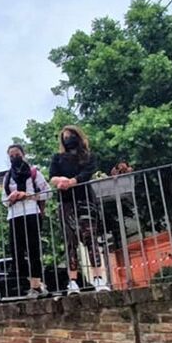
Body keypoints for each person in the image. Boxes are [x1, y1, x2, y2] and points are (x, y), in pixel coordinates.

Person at [49, 126, 110, 294]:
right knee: (70, 242)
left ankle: (99, 278)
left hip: (85, 199)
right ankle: (73, 281)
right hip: (66, 201)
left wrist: (71, 182)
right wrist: (61, 180)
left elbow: (87, 174)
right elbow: (52, 176)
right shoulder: (57, 158)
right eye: (65, 137)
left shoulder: (88, 156)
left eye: (71, 135)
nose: (68, 139)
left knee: (90, 238)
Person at [1, 144, 52, 299]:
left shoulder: (34, 173)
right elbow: (3, 200)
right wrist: (11, 198)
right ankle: (24, 285)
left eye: (17, 154)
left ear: (23, 155)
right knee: (17, 252)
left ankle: (36, 286)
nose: (14, 158)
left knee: (33, 250)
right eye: (11, 156)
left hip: (31, 212)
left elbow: (47, 192)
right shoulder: (7, 177)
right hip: (14, 215)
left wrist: (27, 195)